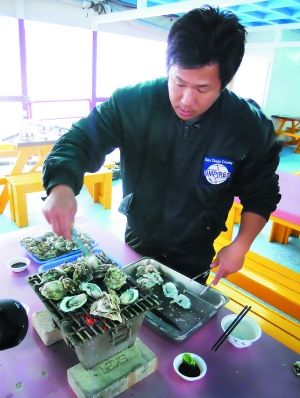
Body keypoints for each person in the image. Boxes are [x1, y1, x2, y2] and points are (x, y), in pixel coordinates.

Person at [42, 6, 281, 285]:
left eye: (202, 89)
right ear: (168, 67)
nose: (186, 100)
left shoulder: (246, 125)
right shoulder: (132, 103)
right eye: (178, 82)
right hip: (136, 242)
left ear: (224, 83)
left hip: (195, 253)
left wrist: (240, 245)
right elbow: (79, 140)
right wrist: (61, 188)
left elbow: (262, 193)